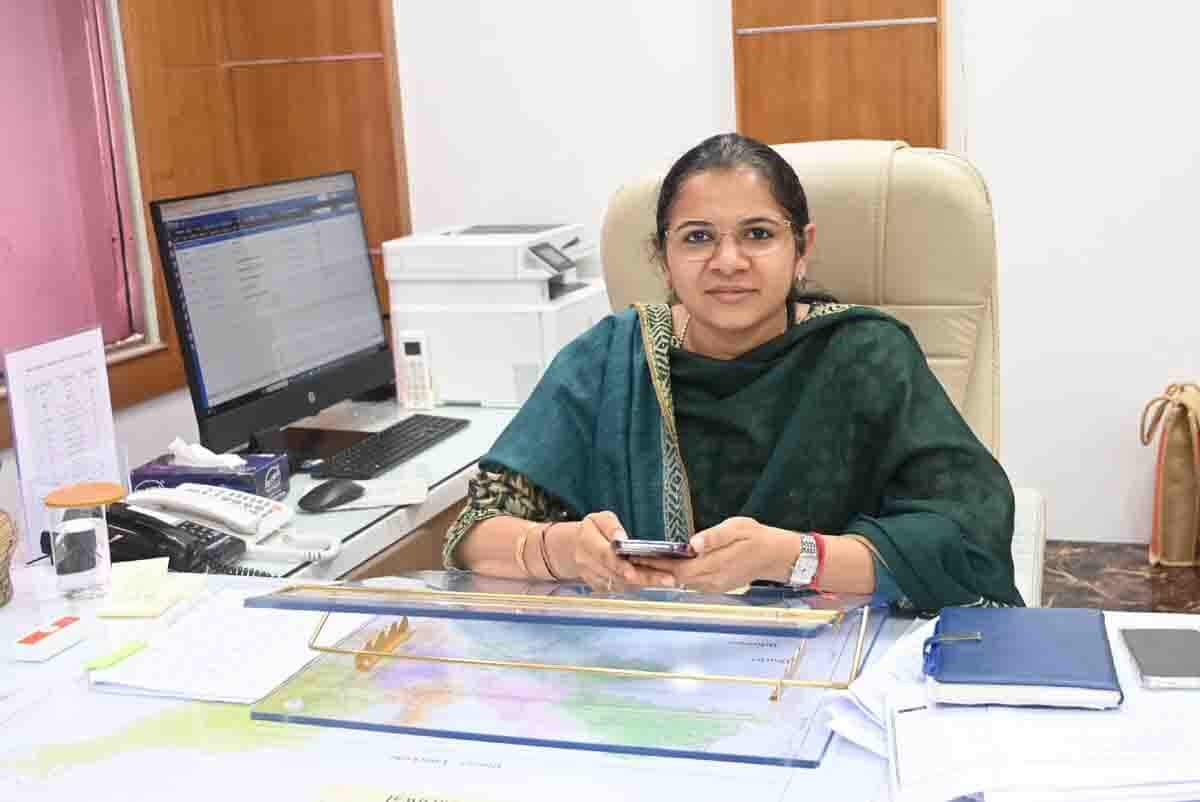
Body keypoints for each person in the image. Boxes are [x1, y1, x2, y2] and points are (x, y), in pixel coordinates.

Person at [442, 132, 1022, 613]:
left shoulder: (866, 356)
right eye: (698, 238)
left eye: (758, 234)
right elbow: (475, 530)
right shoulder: (612, 358)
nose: (728, 262)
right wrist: (565, 550)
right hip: (643, 664)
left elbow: (969, 540)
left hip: (834, 664)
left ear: (802, 249)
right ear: (663, 258)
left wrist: (792, 558)